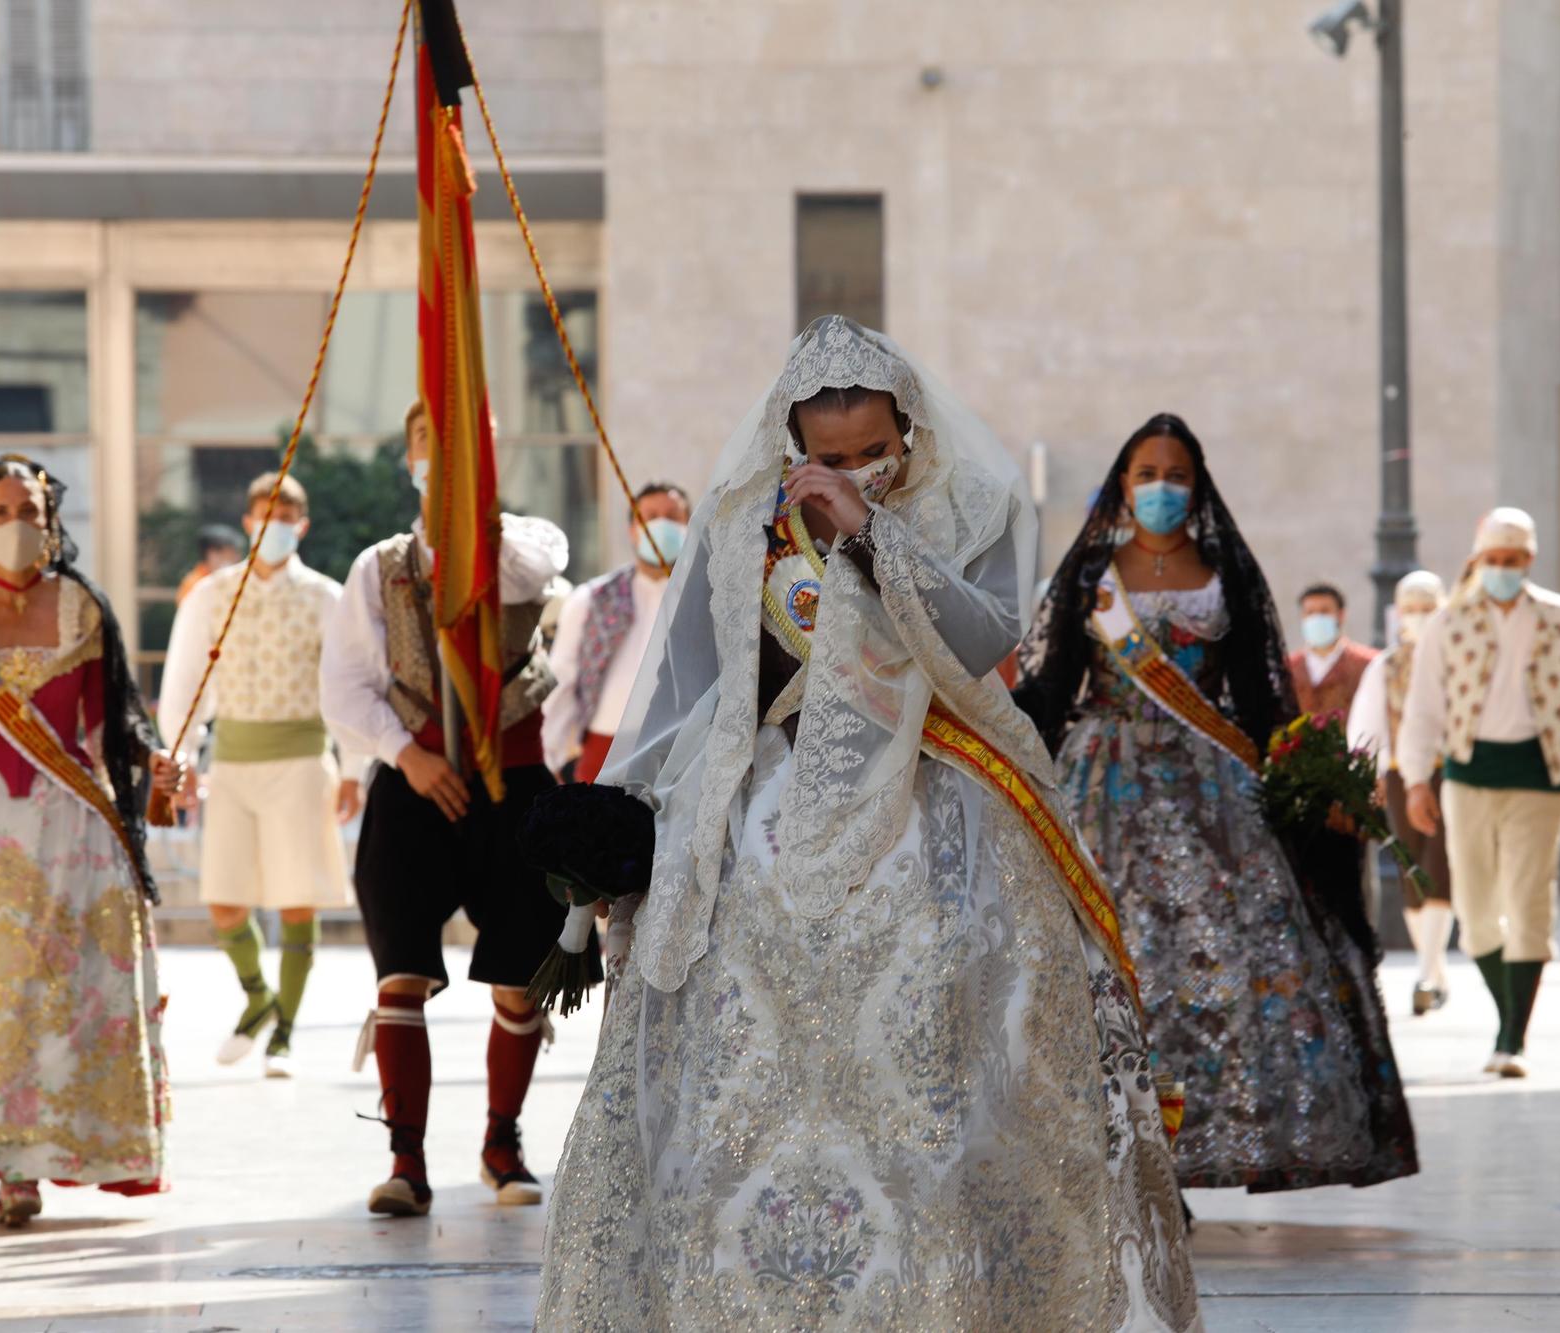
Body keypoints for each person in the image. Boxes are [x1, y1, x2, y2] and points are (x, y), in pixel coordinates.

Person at [534, 317, 1200, 1331]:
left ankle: (935, 1277)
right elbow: (692, 684)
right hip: (765, 803)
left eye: (870, 452)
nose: (849, 469)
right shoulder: (740, 518)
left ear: (908, 429)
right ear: (791, 441)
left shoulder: (970, 500)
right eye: (826, 456)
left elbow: (981, 638)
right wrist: (628, 817)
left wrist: (868, 529)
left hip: (938, 797)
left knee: (934, 1050)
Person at [1011, 412, 1416, 1197]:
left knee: (1227, 959)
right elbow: (1051, 684)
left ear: (1196, 488)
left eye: (1177, 476)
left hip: (1213, 793)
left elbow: (1265, 695)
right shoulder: (1092, 574)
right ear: (1123, 487)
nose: (1161, 488)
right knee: (1109, 961)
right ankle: (1108, 1144)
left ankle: (1194, 1143)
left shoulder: (1226, 573)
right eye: (1146, 475)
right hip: (1104, 786)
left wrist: (1312, 781)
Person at [0, 455, 180, 1226]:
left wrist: (155, 762)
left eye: (31, 513)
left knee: (59, 997)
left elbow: (114, 722)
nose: (18, 526)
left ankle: (32, 1162)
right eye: (1, 512)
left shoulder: (84, 609)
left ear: (52, 526)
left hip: (68, 828)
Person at [319, 400, 581, 1218]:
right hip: (415, 779)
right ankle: (406, 1159)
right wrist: (410, 754)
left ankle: (502, 1143)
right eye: (436, 438)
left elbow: (512, 577)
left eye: (473, 437)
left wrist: (474, 513)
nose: (453, 451)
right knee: (399, 970)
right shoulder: (379, 565)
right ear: (409, 456)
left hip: (514, 785)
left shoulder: (531, 546)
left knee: (518, 982)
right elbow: (346, 686)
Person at [158, 473, 363, 1078]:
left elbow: (349, 685)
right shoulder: (213, 593)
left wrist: (354, 767)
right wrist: (182, 753)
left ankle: (286, 1033)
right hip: (234, 761)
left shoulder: (327, 597)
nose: (273, 526)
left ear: (302, 526)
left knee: (298, 896)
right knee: (223, 897)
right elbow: (186, 678)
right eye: (263, 515)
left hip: (302, 758)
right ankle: (258, 1001)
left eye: (286, 517)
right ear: (248, 521)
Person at [1397, 507, 1560, 1079]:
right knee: (1477, 909)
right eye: (1492, 561)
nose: (1502, 570)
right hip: (1469, 774)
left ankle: (1513, 1036)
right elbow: (1423, 709)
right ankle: (1506, 1013)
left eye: (1512, 561)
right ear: (1478, 560)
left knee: (1531, 900)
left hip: (1540, 777)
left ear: (1529, 560)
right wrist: (1416, 780)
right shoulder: (1448, 623)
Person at [1349, 569, 1455, 1015]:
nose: (1418, 617)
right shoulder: (1385, 665)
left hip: (1448, 771)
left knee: (1441, 866)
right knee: (1413, 869)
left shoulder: (1457, 660)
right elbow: (1367, 724)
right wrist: (1368, 774)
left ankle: (1428, 973)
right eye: (1410, 609)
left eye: (1427, 608)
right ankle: (1433, 968)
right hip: (1397, 776)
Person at [540, 482, 690, 783]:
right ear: (632, 529)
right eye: (650, 516)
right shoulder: (591, 599)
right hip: (603, 749)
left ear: (689, 525)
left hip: (683, 750)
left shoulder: (704, 595)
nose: (660, 524)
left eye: (672, 516)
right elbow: (562, 678)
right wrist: (555, 754)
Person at [1289, 581, 1378, 718]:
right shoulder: (1288, 668)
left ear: (1340, 615)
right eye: (1310, 612)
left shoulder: (1368, 664)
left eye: (1324, 611)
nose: (1316, 618)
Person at [176, 524, 245, 606]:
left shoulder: (233, 580)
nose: (238, 558)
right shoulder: (194, 585)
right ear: (213, 554)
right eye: (233, 552)